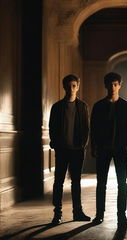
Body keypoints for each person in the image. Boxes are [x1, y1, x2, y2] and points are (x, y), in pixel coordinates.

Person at [90, 72, 127, 228]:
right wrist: (94, 146)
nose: (113, 87)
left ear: (120, 85)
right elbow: (93, 128)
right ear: (105, 86)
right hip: (103, 148)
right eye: (110, 84)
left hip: (120, 149)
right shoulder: (98, 106)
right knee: (101, 183)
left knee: (123, 183)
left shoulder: (126, 106)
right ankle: (99, 215)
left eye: (116, 84)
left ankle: (122, 216)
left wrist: (126, 144)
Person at [49, 74, 91, 225]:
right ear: (64, 87)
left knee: (76, 182)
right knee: (58, 181)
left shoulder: (83, 106)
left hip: (77, 150)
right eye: (68, 86)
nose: (71, 89)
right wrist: (56, 143)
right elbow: (52, 127)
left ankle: (77, 211)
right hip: (62, 150)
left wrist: (82, 145)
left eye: (74, 86)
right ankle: (57, 213)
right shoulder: (57, 107)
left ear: (77, 87)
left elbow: (87, 128)